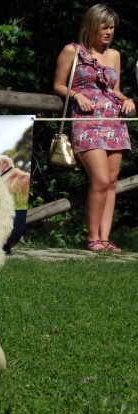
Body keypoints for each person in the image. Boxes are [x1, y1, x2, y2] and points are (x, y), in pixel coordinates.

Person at [53, 4, 134, 252]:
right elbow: (58, 86)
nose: (109, 32)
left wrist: (127, 100)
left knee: (111, 182)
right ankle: (92, 238)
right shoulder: (72, 51)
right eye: (105, 26)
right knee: (98, 179)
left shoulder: (115, 55)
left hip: (114, 122)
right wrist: (76, 96)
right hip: (86, 121)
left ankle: (105, 238)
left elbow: (115, 90)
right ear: (92, 25)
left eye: (112, 28)